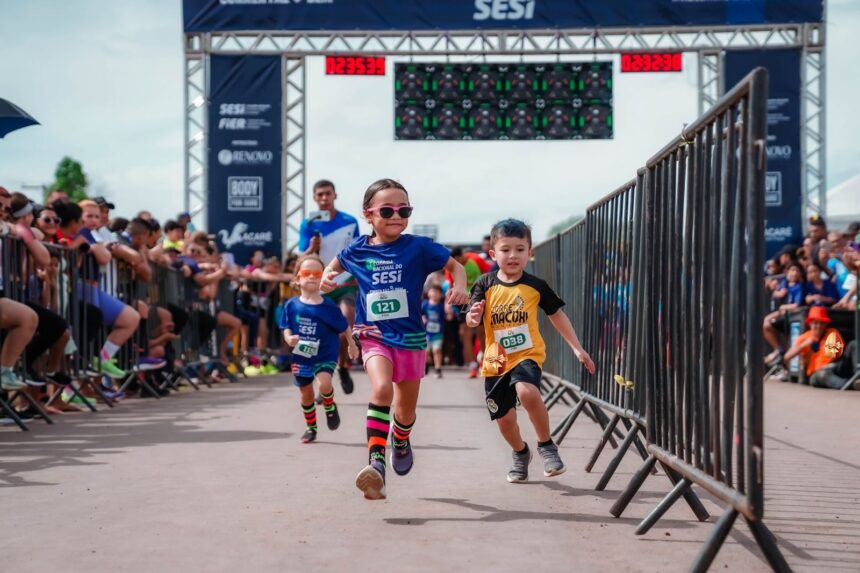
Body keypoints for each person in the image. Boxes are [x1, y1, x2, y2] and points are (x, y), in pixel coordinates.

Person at [321, 178, 468, 500]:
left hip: (411, 338)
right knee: (382, 389)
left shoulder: (418, 247)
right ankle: (376, 463)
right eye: (387, 210)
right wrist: (326, 279)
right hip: (373, 335)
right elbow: (330, 270)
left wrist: (460, 286)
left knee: (404, 413)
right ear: (368, 215)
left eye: (404, 210)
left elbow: (455, 266)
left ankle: (400, 439)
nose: (396, 216)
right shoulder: (357, 249)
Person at [466, 219, 595, 483]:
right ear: (493, 253)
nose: (513, 255)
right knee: (504, 420)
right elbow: (471, 319)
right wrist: (473, 316)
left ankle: (547, 446)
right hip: (496, 359)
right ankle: (520, 453)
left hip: (527, 353)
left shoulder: (536, 285)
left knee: (528, 392)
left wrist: (577, 348)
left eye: (520, 249)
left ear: (530, 252)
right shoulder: (484, 283)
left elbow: (556, 315)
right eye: (505, 250)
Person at [280, 255, 358, 443]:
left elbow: (344, 326)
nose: (312, 277)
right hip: (302, 354)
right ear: (297, 278)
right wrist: (289, 338)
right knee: (306, 394)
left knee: (324, 384)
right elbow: (286, 326)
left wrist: (352, 345)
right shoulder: (291, 305)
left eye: (317, 274)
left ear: (323, 278)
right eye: (307, 273)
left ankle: (329, 405)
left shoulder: (328, 306)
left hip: (325, 353)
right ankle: (311, 427)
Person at [298, 179, 360, 394]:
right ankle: (323, 384)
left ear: (335, 195)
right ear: (314, 198)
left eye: (327, 193)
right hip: (319, 285)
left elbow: (358, 252)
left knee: (345, 326)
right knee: (318, 336)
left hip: (345, 283)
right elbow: (302, 256)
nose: (324, 198)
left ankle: (342, 366)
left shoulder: (350, 221)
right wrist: (311, 248)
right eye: (320, 195)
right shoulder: (308, 223)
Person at [449, 246, 492, 377]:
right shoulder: (452, 265)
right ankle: (473, 366)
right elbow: (451, 284)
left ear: (462, 255)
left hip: (479, 299)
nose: (459, 262)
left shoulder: (475, 260)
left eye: (459, 259)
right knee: (465, 334)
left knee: (482, 333)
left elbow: (489, 274)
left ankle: (484, 362)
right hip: (463, 301)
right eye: (456, 260)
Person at [781, 306, 845, 387]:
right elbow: (786, 357)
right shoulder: (804, 337)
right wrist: (803, 345)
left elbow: (835, 354)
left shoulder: (832, 333)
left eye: (821, 323)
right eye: (815, 323)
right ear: (810, 323)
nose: (818, 326)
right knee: (822, 375)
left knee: (853, 345)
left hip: (833, 367)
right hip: (816, 373)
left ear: (826, 324)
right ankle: (849, 385)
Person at [763, 262, 805, 363]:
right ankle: (778, 349)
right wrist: (777, 292)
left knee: (788, 340)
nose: (794, 273)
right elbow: (774, 291)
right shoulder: (784, 283)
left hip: (792, 316)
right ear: (787, 272)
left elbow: (796, 305)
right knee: (766, 324)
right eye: (792, 270)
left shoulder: (799, 286)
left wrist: (783, 307)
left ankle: (782, 356)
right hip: (781, 314)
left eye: (797, 271)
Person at [421, 285, 445, 378]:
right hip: (426, 333)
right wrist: (422, 318)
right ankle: (425, 366)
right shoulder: (425, 304)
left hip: (438, 333)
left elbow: (446, 316)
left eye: (437, 292)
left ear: (440, 295)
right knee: (425, 351)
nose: (434, 294)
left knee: (437, 350)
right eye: (432, 291)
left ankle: (438, 369)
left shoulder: (442, 306)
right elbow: (420, 314)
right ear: (428, 293)